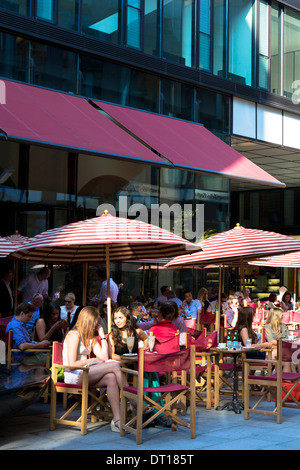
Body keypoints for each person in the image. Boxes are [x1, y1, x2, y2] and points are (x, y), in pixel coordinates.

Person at [63, 306, 123, 432]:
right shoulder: (74, 335)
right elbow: (72, 363)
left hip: (86, 373)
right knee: (114, 365)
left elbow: (105, 357)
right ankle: (132, 399)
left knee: (111, 377)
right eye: (97, 321)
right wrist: (92, 360)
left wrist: (101, 335)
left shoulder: (90, 337)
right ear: (89, 320)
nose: (98, 323)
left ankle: (117, 420)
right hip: (74, 374)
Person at [263, 307, 294, 372]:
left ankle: (293, 378)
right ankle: (293, 378)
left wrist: (291, 340)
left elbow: (290, 337)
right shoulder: (267, 327)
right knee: (290, 361)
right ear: (276, 317)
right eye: (281, 316)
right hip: (275, 349)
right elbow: (271, 341)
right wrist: (286, 342)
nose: (282, 318)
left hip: (286, 348)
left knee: (295, 359)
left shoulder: (283, 325)